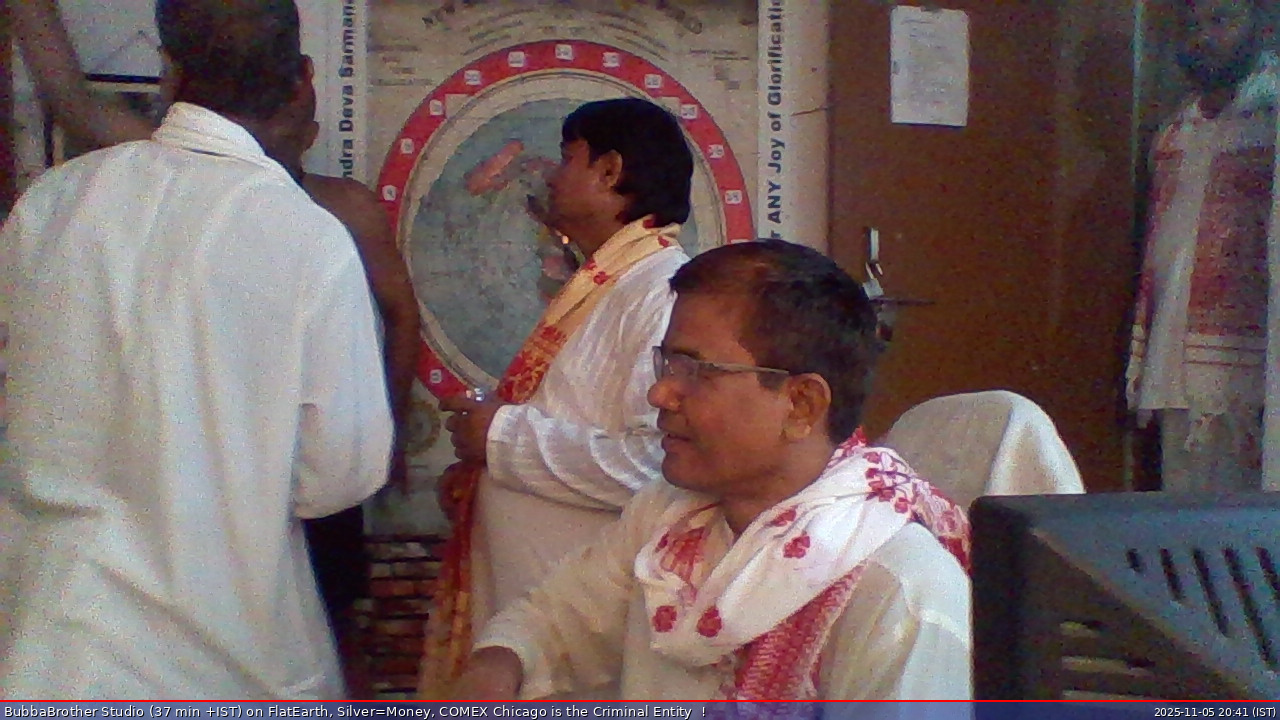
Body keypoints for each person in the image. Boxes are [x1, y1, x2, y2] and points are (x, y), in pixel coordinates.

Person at [6, 0, 422, 696]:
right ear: (302, 80)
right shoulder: (309, 238)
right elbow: (339, 478)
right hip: (225, 663)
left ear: (168, 72)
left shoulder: (53, 203)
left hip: (53, 653)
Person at [445, 239, 972, 701]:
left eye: (697, 370)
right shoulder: (670, 515)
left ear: (802, 405)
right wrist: (497, 667)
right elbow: (559, 618)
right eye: (668, 363)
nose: (660, 392)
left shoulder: (898, 593)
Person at [421, 98, 693, 694]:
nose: (551, 175)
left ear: (609, 171)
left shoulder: (661, 292)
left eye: (568, 158)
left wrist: (498, 439)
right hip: (534, 624)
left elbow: (654, 466)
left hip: (580, 641)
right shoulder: (608, 283)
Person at [1126, 0, 1277, 492]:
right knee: (1185, 511)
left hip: (1255, 365)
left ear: (1259, 25)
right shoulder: (1176, 130)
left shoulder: (1272, 120)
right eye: (1195, 25)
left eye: (1222, 20)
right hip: (1177, 356)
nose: (1206, 37)